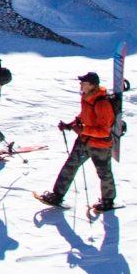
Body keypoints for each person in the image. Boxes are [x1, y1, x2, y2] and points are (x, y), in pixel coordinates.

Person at [36, 72, 119, 212]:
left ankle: (108, 201)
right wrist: (70, 125)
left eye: (83, 83)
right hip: (84, 141)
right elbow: (84, 116)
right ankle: (57, 195)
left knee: (104, 173)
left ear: (92, 85)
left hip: (99, 145)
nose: (80, 85)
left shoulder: (102, 103)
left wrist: (83, 130)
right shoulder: (86, 97)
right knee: (70, 165)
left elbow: (104, 131)